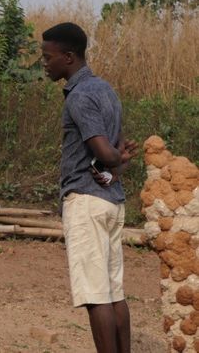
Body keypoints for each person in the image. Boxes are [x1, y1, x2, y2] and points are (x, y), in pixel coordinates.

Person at [41, 22, 137, 353]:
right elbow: (118, 151)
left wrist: (115, 158)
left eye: (47, 56)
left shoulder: (79, 97)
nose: (44, 63)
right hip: (111, 202)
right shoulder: (106, 89)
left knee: (97, 298)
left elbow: (104, 150)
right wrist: (119, 164)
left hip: (86, 202)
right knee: (114, 293)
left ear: (68, 57)